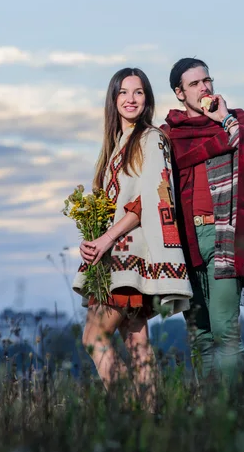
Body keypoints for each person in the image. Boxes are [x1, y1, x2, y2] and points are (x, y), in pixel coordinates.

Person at [74, 67, 192, 411]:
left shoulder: (151, 139)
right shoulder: (116, 146)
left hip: (132, 256)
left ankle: (129, 415)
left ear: (147, 99)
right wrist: (93, 237)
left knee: (94, 337)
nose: (131, 99)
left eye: (138, 92)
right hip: (118, 257)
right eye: (124, 92)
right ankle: (154, 422)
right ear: (113, 99)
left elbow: (151, 199)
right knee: (137, 343)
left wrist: (107, 238)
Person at [161, 57, 244, 402]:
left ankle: (238, 411)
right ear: (179, 93)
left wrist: (224, 119)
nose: (204, 88)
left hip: (224, 235)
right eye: (194, 84)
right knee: (200, 335)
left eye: (206, 80)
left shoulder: (235, 122)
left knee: (225, 331)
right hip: (185, 241)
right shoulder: (168, 135)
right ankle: (212, 414)